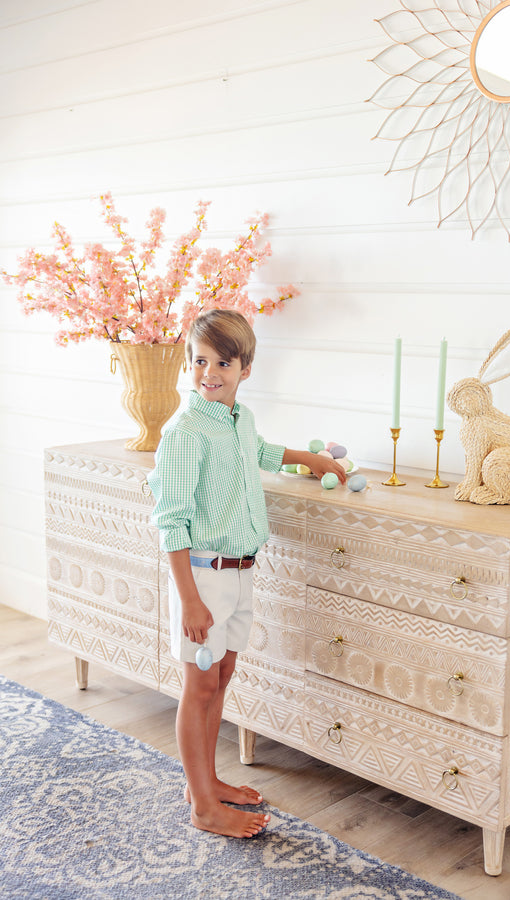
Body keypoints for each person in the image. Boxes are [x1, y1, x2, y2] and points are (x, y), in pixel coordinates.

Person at [147, 309, 345, 838]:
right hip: (202, 576)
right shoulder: (185, 432)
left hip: (240, 573)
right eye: (200, 361)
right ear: (188, 364)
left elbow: (258, 452)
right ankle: (203, 807)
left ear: (245, 368)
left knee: (222, 677)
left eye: (223, 363)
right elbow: (171, 521)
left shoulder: (240, 419)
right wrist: (191, 600)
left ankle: (207, 781)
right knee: (199, 686)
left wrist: (309, 459)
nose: (209, 372)